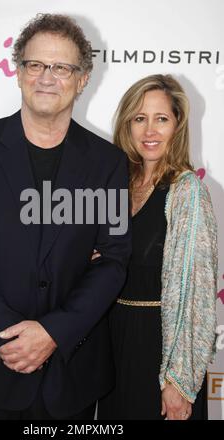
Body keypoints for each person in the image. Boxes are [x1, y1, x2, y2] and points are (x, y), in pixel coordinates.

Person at [0, 14, 131, 420]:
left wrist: (53, 332)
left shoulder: (107, 162)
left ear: (83, 78)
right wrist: (11, 334)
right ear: (18, 71)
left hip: (71, 374)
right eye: (35, 64)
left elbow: (113, 259)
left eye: (61, 67)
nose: (46, 77)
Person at [97, 74, 218, 420]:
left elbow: (196, 296)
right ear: (126, 125)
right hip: (113, 343)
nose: (150, 130)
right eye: (140, 118)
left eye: (161, 119)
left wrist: (178, 381)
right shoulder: (114, 189)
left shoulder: (187, 192)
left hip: (159, 350)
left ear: (177, 125)